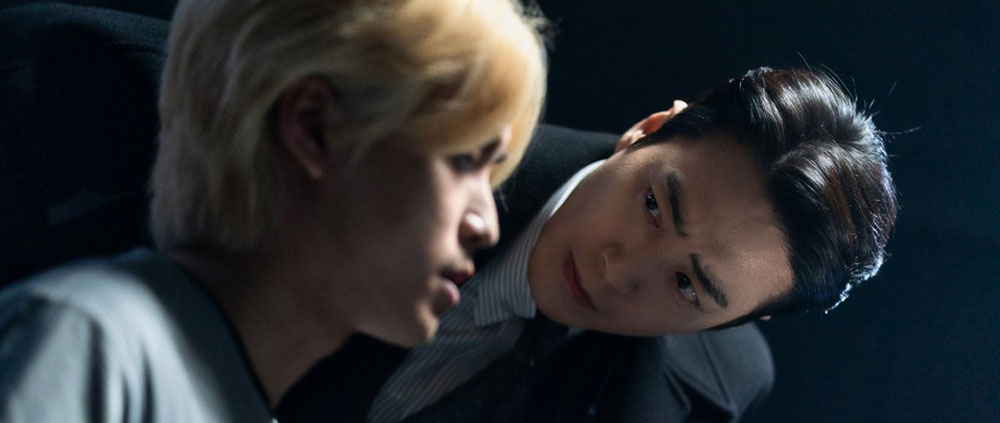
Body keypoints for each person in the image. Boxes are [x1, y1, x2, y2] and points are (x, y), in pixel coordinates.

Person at [0, 0, 547, 421]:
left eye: (493, 175)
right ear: (313, 127)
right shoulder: (88, 345)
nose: (487, 224)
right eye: (462, 160)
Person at [275, 67, 899, 422]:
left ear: (740, 319)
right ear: (647, 130)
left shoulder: (722, 386)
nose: (617, 271)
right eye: (654, 207)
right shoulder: (406, 149)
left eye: (687, 285)